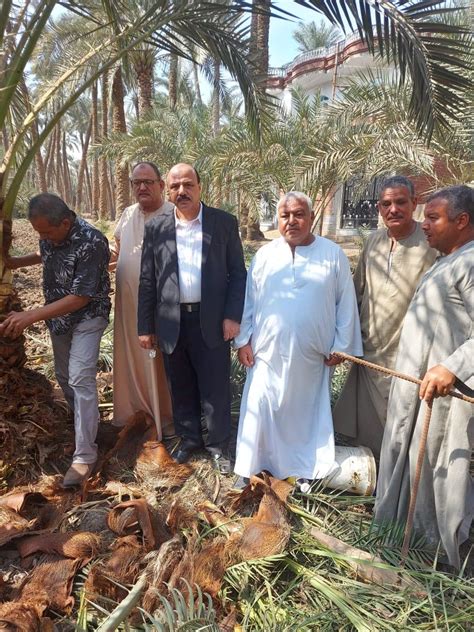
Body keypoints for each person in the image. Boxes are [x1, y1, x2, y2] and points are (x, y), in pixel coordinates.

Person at [233, 192, 362, 485]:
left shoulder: (333, 254)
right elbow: (249, 301)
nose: (292, 221)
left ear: (311, 218)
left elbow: (346, 303)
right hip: (266, 353)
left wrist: (342, 346)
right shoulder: (265, 255)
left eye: (299, 214)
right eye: (285, 215)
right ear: (278, 220)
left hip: (313, 357)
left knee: (305, 416)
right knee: (261, 406)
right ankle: (251, 468)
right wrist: (243, 341)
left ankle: (303, 471)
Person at [375, 185, 474, 568]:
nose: (425, 225)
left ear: (461, 221)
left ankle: (440, 556)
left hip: (447, 396)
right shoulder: (446, 259)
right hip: (417, 387)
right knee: (409, 458)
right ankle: (400, 538)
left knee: (440, 470)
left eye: (433, 217)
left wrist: (452, 367)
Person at [137, 163, 246, 470]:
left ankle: (218, 445)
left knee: (215, 386)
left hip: (211, 320)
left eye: (187, 185)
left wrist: (232, 316)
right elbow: (148, 280)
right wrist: (145, 326)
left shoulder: (223, 223)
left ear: (200, 186)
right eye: (175, 186)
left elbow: (238, 273)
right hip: (171, 322)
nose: (181, 191)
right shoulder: (156, 228)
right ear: (167, 190)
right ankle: (189, 440)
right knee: (180, 384)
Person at [0, 193, 111, 487]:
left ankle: (85, 455)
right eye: (39, 234)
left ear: (65, 221)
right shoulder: (49, 234)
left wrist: (30, 316)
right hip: (57, 318)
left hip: (87, 316)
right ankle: (85, 426)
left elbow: (80, 297)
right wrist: (13, 262)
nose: (43, 238)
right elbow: (44, 253)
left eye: (47, 232)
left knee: (79, 378)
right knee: (64, 376)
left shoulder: (92, 241)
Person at [333, 176, 437, 457]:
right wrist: (344, 341)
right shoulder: (373, 242)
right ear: (378, 208)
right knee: (369, 429)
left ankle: (398, 488)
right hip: (370, 352)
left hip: (408, 356)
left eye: (401, 202)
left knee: (403, 429)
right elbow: (356, 295)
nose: (394, 209)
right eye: (386, 204)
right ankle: (371, 479)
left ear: (415, 203)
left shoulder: (431, 244)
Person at [111, 162, 173, 437]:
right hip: (128, 308)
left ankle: (167, 420)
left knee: (162, 361)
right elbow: (119, 250)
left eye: (148, 181)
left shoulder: (175, 214)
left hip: (164, 309)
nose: (142, 187)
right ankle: (132, 414)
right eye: (136, 182)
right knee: (131, 358)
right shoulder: (127, 215)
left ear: (161, 185)